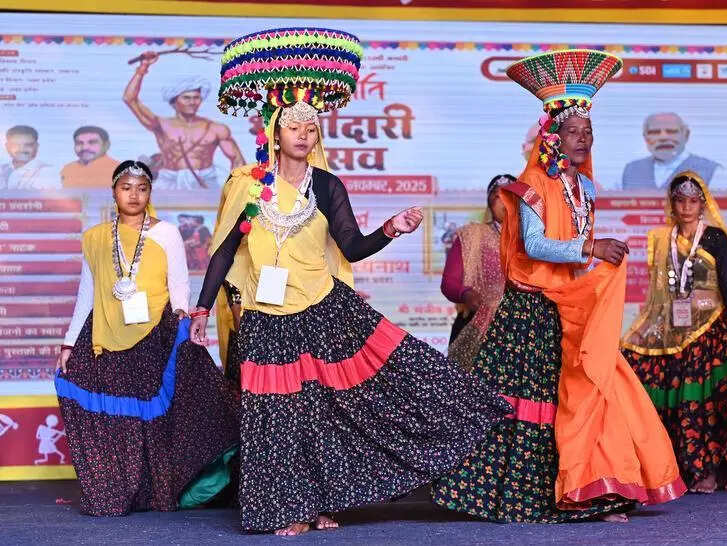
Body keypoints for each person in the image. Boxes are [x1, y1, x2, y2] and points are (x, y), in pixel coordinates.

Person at [190, 27, 510, 536]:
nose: (303, 134)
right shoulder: (248, 185)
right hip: (266, 315)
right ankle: (287, 508)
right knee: (275, 418)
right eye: (293, 125)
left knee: (334, 409)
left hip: (322, 308)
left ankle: (319, 503)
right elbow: (225, 250)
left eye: (311, 127)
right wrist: (202, 309)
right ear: (275, 132)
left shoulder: (327, 185)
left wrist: (391, 229)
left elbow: (352, 246)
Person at [433, 49, 686, 523]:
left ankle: (591, 489)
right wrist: (591, 248)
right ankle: (513, 495)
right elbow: (534, 245)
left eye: (588, 131)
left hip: (568, 304)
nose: (583, 138)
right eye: (573, 131)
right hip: (530, 312)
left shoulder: (585, 188)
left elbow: (575, 249)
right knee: (538, 403)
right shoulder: (531, 184)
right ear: (553, 136)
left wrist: (594, 276)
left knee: (590, 391)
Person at [53, 160, 239, 516]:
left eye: (141, 188)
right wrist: (69, 342)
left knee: (155, 419)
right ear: (114, 192)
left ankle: (158, 491)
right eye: (126, 188)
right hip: (106, 335)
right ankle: (118, 491)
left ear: (149, 193)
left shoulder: (166, 232)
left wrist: (182, 317)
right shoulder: (95, 238)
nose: (134, 195)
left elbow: (179, 282)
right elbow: (87, 294)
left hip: (155, 334)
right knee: (114, 417)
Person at [621, 171, 727, 493]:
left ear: (702, 204)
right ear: (672, 204)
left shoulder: (714, 237)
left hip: (708, 330)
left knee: (704, 403)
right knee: (673, 401)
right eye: (680, 201)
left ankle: (707, 472)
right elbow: (656, 297)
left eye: (693, 201)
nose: (686, 207)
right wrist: (640, 332)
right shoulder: (661, 240)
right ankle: (675, 471)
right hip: (672, 332)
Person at [123, 54, 245, 189]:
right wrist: (143, 68)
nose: (192, 102)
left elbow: (238, 160)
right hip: (169, 181)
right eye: (186, 98)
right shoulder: (161, 124)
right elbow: (130, 99)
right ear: (174, 101)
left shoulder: (216, 129)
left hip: (205, 181)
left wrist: (234, 188)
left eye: (196, 98)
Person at [441, 174, 515, 370]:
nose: (505, 201)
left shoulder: (535, 241)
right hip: (476, 326)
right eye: (498, 196)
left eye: (511, 196)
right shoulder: (472, 235)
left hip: (523, 330)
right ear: (489, 203)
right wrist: (466, 293)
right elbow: (449, 283)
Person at [621, 113, 721, 189]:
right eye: (654, 132)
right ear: (645, 138)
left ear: (686, 135)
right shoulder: (630, 170)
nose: (663, 138)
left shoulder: (712, 171)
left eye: (671, 131)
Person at [0, 125, 59, 190]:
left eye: (28, 145)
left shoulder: (47, 172)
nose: (22, 149)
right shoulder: (2, 169)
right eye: (16, 145)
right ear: (7, 147)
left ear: (36, 146)